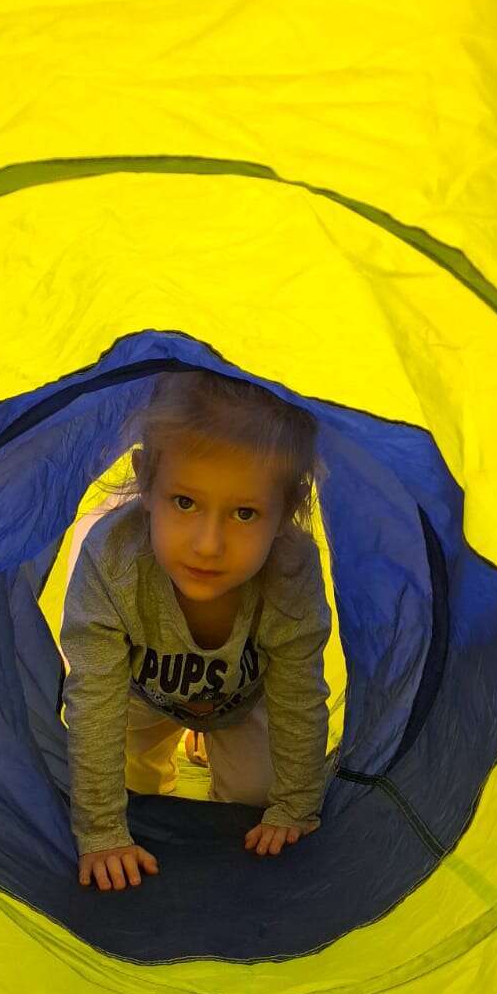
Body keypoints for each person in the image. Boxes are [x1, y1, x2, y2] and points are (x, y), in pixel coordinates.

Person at [60, 369, 334, 893]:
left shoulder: (291, 571)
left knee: (257, 799)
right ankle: (174, 749)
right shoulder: (113, 561)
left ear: (287, 510)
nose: (209, 545)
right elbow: (93, 699)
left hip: (242, 701)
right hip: (139, 696)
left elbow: (299, 694)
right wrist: (101, 832)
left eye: (245, 513)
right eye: (184, 502)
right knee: (135, 790)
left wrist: (295, 806)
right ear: (146, 480)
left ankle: (208, 741)